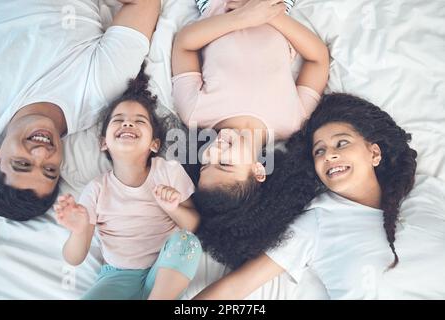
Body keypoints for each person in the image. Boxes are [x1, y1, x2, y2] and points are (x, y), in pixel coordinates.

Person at [193, 93, 423, 299]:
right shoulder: (318, 221)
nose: (329, 155)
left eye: (341, 143)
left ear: (374, 153)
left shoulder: (424, 194)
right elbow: (235, 288)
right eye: (319, 151)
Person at [171, 0, 329, 268]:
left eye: (207, 162)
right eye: (225, 163)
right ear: (258, 170)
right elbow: (318, 58)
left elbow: (184, 44)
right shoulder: (291, 121)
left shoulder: (196, 113)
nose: (213, 150)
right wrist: (267, 14)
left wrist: (243, 17)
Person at [0, 0, 161, 221]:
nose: (43, 154)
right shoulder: (97, 93)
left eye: (23, 163)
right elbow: (144, 4)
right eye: (50, 169)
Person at [54, 64, 202, 300]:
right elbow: (73, 258)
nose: (128, 124)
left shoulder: (168, 171)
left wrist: (173, 209)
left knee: (187, 242)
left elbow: (193, 225)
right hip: (118, 277)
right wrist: (80, 230)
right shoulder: (96, 189)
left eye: (139, 121)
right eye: (119, 120)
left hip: (164, 273)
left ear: (154, 144)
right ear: (104, 143)